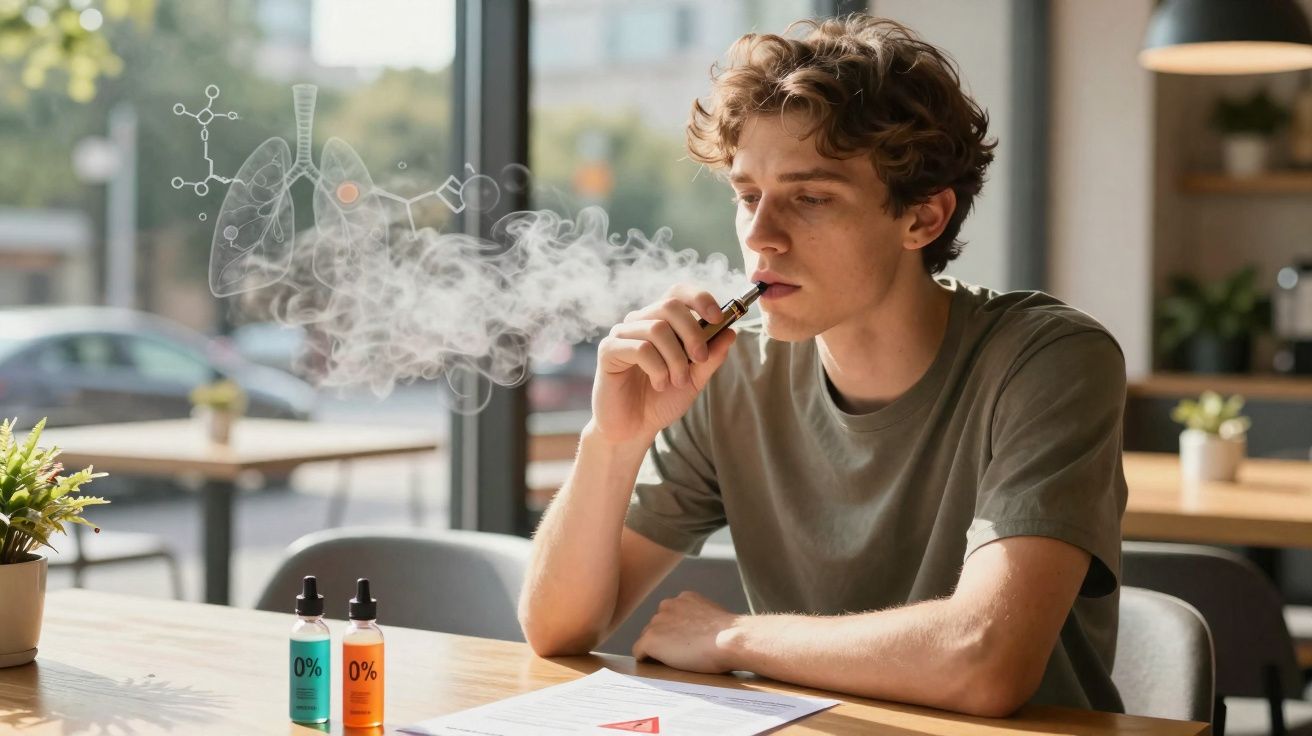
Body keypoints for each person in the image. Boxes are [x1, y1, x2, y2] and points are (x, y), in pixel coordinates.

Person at [518, 14, 1127, 718]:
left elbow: (984, 662)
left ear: (923, 218)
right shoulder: (733, 372)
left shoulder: (1047, 361)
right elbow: (556, 628)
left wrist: (732, 636)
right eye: (747, 196)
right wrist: (613, 442)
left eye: (810, 198)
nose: (760, 236)